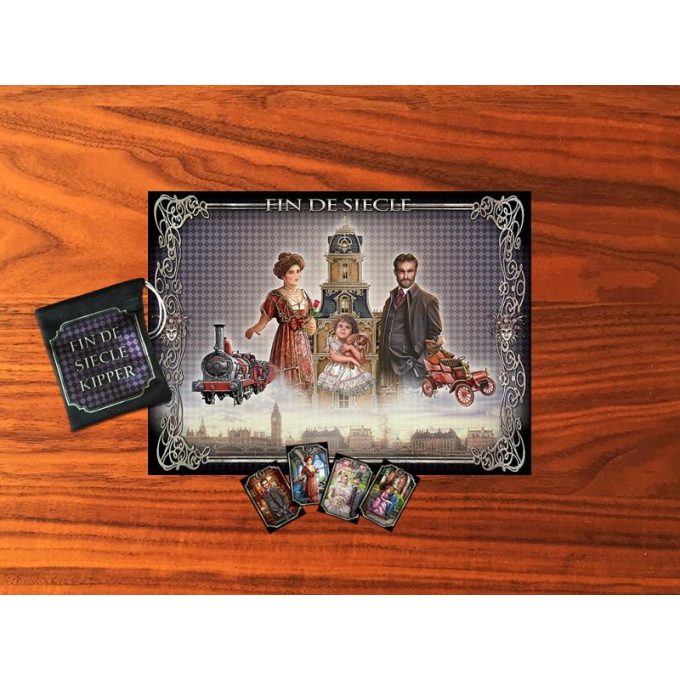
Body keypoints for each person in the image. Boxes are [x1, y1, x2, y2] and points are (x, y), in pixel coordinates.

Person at [245, 253, 316, 395]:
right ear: (283, 276)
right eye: (291, 272)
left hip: (302, 342)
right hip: (285, 341)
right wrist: (254, 329)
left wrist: (312, 325)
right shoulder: (275, 296)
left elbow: (310, 318)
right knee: (286, 378)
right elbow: (263, 321)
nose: (296, 276)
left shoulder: (304, 294)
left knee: (304, 377)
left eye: (298, 271)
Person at [378, 253, 444, 389]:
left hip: (411, 372)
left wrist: (417, 368)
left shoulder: (428, 301)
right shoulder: (389, 301)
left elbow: (435, 341)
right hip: (388, 370)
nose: (406, 276)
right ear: (395, 272)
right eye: (401, 271)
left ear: (415, 272)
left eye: (410, 271)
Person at [317, 314, 375, 396]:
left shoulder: (353, 343)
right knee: (336, 391)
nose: (343, 329)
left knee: (350, 389)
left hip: (351, 371)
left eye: (347, 327)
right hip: (336, 370)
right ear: (335, 329)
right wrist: (351, 359)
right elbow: (334, 357)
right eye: (340, 326)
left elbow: (361, 360)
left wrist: (351, 348)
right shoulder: (333, 341)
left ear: (352, 332)